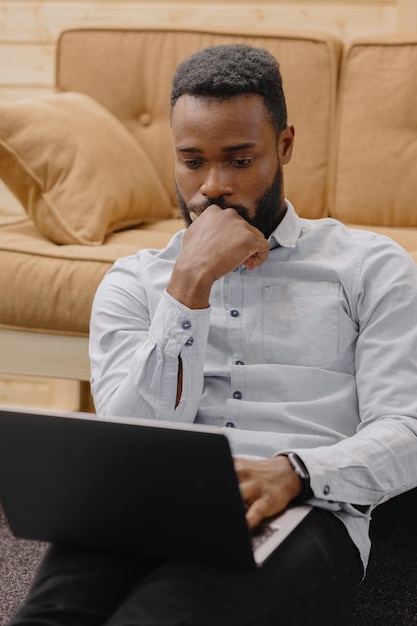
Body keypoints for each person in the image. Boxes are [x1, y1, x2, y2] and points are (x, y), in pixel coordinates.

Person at [10, 44, 417, 626]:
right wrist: (189, 286)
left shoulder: (369, 268)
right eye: (193, 161)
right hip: (147, 501)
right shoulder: (135, 281)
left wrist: (297, 471)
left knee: (166, 612)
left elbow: (407, 428)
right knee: (51, 614)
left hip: (304, 508)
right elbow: (132, 437)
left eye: (239, 160)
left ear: (284, 146)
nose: (213, 186)